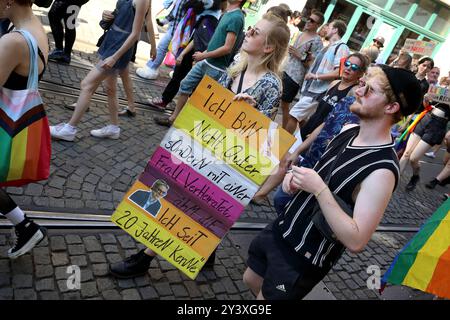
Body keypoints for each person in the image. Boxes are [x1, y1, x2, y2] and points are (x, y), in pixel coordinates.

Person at [108, 12, 290, 278]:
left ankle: (144, 259)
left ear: (269, 46)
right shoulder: (237, 67)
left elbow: (262, 141)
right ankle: (206, 250)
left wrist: (253, 114)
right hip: (209, 149)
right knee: (186, 200)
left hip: (229, 160)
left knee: (185, 203)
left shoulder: (271, 85)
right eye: (250, 29)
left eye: (254, 32)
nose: (247, 33)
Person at [242, 65, 423, 300]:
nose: (359, 91)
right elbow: (320, 175)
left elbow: (357, 240)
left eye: (369, 89)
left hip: (303, 255)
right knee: (251, 278)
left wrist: (318, 189)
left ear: (391, 107)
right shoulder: (348, 130)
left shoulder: (383, 169)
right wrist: (294, 181)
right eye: (362, 84)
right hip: (281, 228)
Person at [253, 53, 368, 206]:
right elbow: (318, 109)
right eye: (347, 63)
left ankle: (267, 195)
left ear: (360, 73)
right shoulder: (334, 83)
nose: (348, 68)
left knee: (289, 166)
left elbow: (335, 121)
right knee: (284, 160)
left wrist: (317, 137)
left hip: (319, 137)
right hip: (308, 129)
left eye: (354, 67)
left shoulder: (352, 93)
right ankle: (262, 193)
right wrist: (303, 124)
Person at [49, 0, 154, 141]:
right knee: (110, 88)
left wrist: (115, 57)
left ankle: (70, 129)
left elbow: (136, 33)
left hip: (119, 47)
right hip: (112, 40)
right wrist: (110, 15)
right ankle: (113, 128)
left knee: (87, 85)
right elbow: (125, 15)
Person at [0, 0, 49, 259]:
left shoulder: (13, 41)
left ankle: (25, 226)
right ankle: (24, 226)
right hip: (13, 123)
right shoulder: (35, 28)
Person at [153, 0, 246, 127]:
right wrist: (203, 56)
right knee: (185, 85)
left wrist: (204, 55)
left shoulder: (236, 17)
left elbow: (227, 48)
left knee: (202, 99)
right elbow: (215, 41)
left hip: (216, 67)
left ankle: (189, 126)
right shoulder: (226, 14)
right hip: (206, 61)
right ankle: (174, 119)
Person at [147, 0, 224, 110]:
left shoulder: (211, 19)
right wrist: (183, 54)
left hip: (201, 55)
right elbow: (195, 37)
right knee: (180, 75)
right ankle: (167, 101)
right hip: (194, 50)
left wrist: (200, 56)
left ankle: (177, 107)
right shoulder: (204, 16)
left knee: (189, 81)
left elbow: (208, 42)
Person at [285, 19, 350, 134]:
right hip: (310, 88)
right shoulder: (328, 47)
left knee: (293, 115)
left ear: (335, 30)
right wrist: (307, 60)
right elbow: (317, 67)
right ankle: (304, 144)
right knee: (302, 120)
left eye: (329, 27)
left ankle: (280, 145)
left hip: (319, 91)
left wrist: (315, 76)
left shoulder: (342, 47)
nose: (326, 29)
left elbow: (339, 72)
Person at [280, 10, 323, 129]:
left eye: (312, 21)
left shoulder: (317, 42)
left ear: (317, 25)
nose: (308, 21)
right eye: (308, 18)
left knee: (285, 105)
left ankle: (286, 132)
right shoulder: (301, 33)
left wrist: (300, 56)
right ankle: (287, 131)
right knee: (282, 104)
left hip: (296, 76)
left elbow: (313, 64)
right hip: (286, 69)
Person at [400, 100, 449, 191]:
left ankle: (415, 176)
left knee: (413, 158)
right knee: (406, 154)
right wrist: (426, 100)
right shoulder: (438, 88)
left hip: (437, 126)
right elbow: (426, 105)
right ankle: (393, 180)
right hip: (426, 117)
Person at [136, 0, 190, 80]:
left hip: (182, 31)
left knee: (173, 51)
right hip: (175, 29)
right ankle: (152, 68)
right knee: (164, 48)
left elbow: (185, 16)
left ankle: (176, 72)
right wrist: (164, 21)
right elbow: (175, 13)